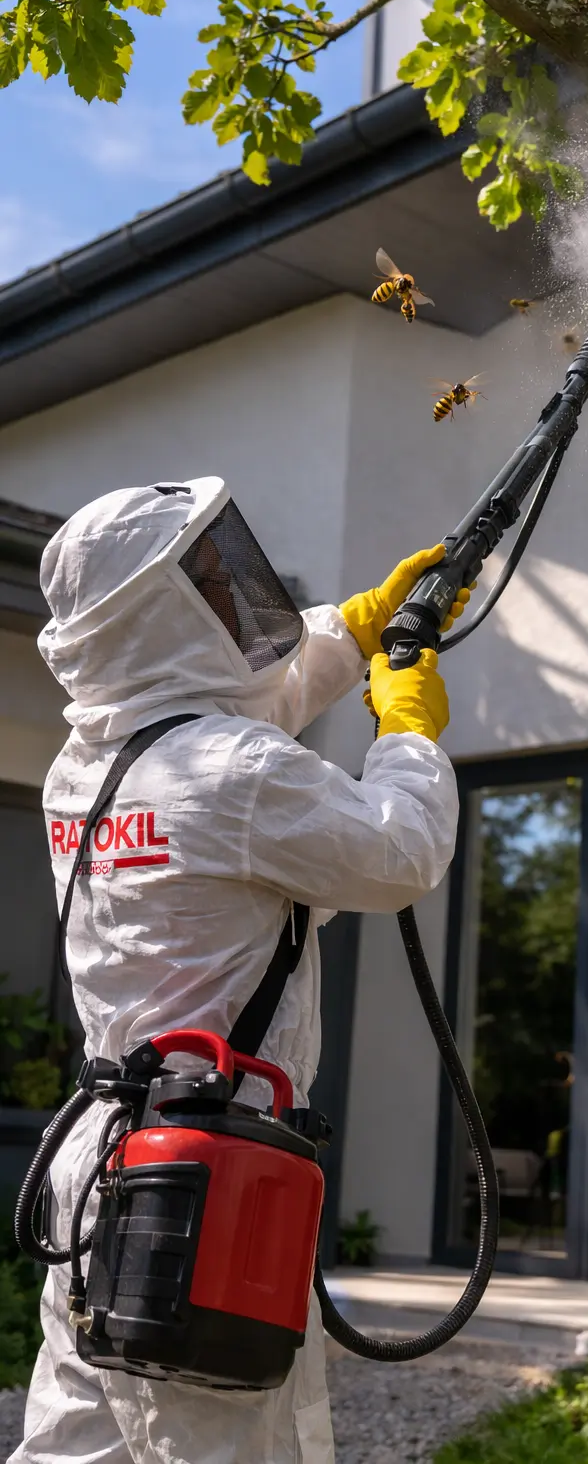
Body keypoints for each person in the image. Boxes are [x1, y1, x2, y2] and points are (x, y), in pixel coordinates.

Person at [13, 476, 467, 1464]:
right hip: (205, 1183)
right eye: (210, 579)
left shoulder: (89, 767)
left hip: (106, 1161)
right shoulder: (237, 774)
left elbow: (218, 698)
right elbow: (397, 855)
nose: (233, 596)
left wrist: (351, 628)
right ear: (160, 610)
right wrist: (408, 732)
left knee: (76, 1448)